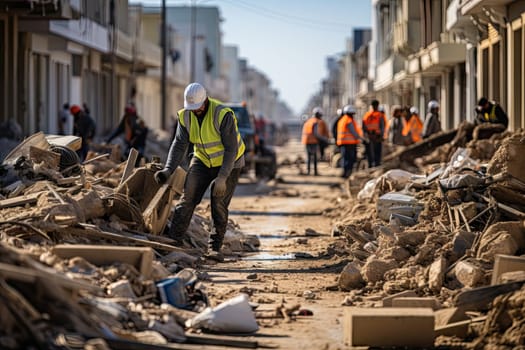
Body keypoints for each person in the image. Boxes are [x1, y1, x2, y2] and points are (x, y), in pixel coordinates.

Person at [154, 83, 245, 258]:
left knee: (218, 202)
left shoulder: (222, 114)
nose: (195, 111)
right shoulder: (185, 116)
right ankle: (174, 242)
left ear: (205, 100)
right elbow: (179, 144)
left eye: (198, 107)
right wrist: (168, 169)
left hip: (230, 162)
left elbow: (231, 149)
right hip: (203, 159)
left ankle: (214, 248)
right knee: (187, 198)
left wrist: (222, 177)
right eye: (192, 108)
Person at [337, 105, 365, 178]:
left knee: (345, 158)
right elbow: (353, 132)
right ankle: (348, 174)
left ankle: (345, 173)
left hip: (343, 143)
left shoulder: (342, 120)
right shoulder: (349, 120)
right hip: (350, 143)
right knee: (350, 159)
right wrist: (361, 139)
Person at [301, 107, 329, 175]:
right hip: (313, 141)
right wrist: (324, 139)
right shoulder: (315, 122)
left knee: (308, 157)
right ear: (318, 115)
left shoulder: (308, 121)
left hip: (306, 141)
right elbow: (316, 134)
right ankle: (315, 172)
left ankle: (308, 171)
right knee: (315, 157)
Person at [362, 99, 385, 168]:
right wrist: (381, 135)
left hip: (371, 136)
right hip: (375, 136)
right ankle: (375, 165)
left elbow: (363, 127)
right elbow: (382, 126)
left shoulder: (367, 115)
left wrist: (366, 135)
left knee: (371, 153)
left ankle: (371, 165)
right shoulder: (379, 115)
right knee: (376, 152)